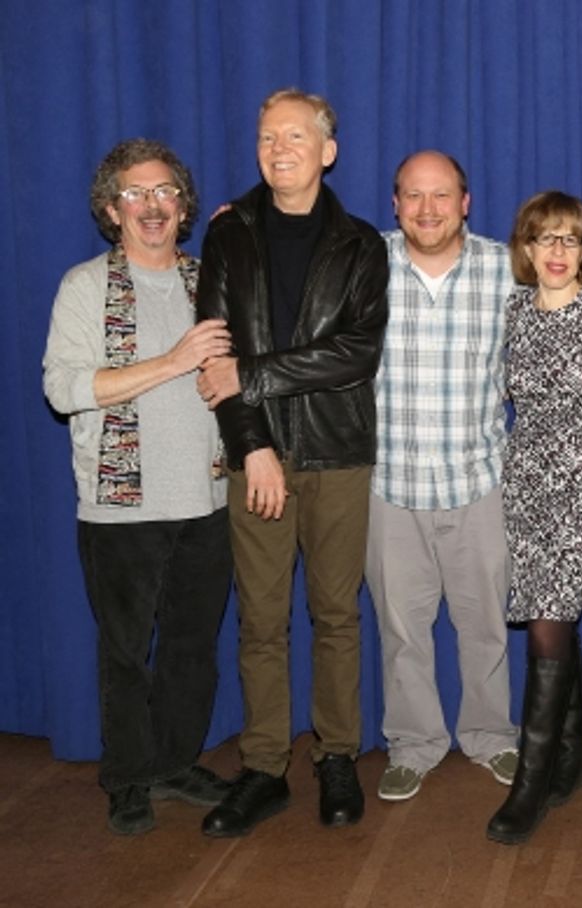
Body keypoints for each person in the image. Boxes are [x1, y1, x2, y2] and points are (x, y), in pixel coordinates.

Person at [194, 88, 389, 836]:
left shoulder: (361, 244)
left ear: (326, 151)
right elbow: (216, 356)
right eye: (267, 136)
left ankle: (337, 756)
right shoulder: (229, 233)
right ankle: (264, 766)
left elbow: (356, 354)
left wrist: (254, 373)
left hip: (340, 454)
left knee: (337, 615)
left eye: (295, 137)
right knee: (261, 622)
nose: (279, 148)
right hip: (256, 457)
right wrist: (254, 445)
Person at [43, 139, 233, 835]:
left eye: (165, 194)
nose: (151, 206)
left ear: (183, 207)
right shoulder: (85, 287)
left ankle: (174, 763)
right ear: (110, 208)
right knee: (125, 653)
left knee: (191, 649)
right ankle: (127, 778)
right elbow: (63, 389)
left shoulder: (210, 280)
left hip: (208, 501)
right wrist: (173, 360)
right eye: (135, 194)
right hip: (120, 507)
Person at [367, 150, 519, 804]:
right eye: (412, 196)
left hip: (478, 481)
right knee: (401, 633)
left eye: (441, 196)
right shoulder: (359, 264)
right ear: (395, 204)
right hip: (387, 487)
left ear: (466, 202)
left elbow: (574, 281)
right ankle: (413, 745)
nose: (427, 209)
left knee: (486, 625)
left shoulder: (507, 268)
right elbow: (286, 243)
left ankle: (491, 737)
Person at [486, 192, 582, 844]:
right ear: (525, 248)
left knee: (547, 622)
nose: (555, 252)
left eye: (569, 240)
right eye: (544, 238)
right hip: (526, 486)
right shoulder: (512, 312)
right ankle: (574, 757)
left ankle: (532, 781)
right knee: (555, 620)